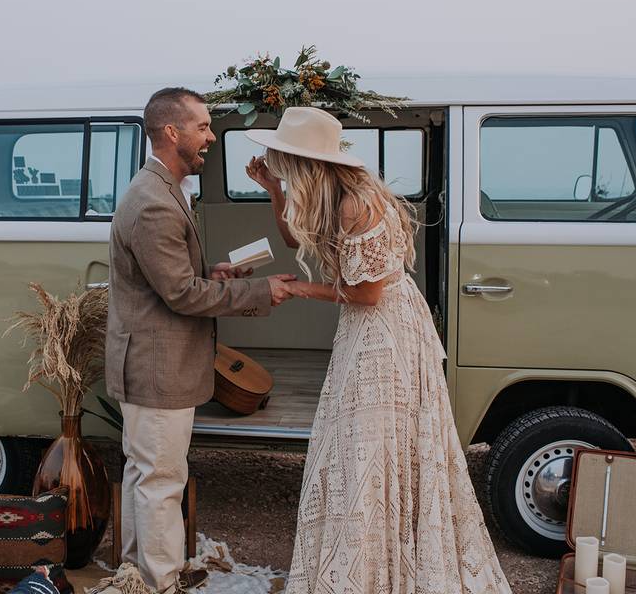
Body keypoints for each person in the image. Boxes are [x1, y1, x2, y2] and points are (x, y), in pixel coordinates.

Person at [245, 107, 512, 594]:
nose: (273, 159)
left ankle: (374, 574)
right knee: (355, 445)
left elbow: (368, 294)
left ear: (304, 160)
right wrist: (273, 190)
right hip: (363, 327)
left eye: (280, 157)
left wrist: (301, 291)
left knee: (369, 446)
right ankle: (366, 569)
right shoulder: (330, 196)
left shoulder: (354, 203)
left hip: (384, 330)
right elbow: (293, 234)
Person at [105, 87, 296, 593]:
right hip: (155, 365)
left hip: (152, 361)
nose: (211, 136)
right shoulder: (154, 203)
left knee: (145, 474)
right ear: (173, 132)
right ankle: (158, 582)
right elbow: (181, 297)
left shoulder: (162, 189)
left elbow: (173, 279)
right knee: (161, 481)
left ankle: (133, 574)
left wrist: (213, 272)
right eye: (205, 126)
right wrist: (260, 290)